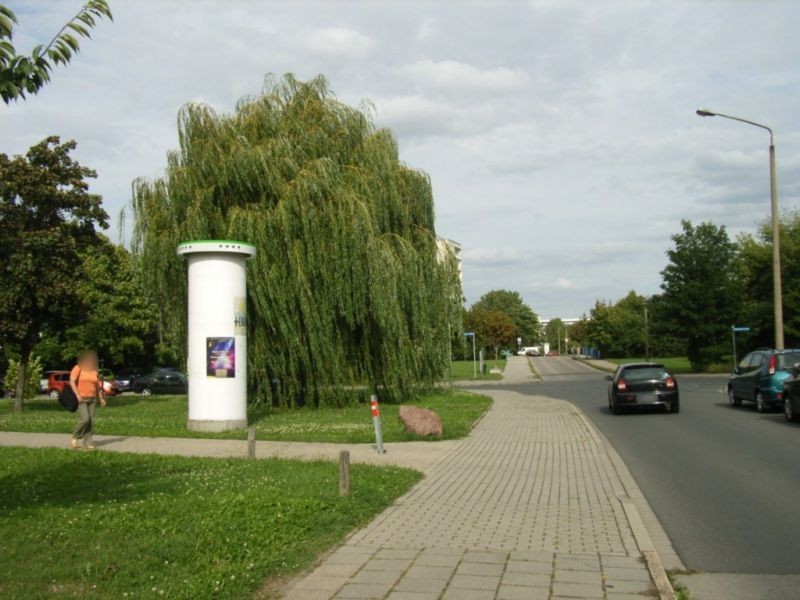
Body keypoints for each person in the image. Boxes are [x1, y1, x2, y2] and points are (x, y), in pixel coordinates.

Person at [69, 350, 106, 450]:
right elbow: (72, 381)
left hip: (92, 398)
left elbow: (97, 385)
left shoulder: (94, 369)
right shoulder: (78, 368)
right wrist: (77, 394)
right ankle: (75, 437)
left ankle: (88, 443)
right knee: (85, 419)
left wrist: (101, 398)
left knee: (91, 421)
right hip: (81, 398)